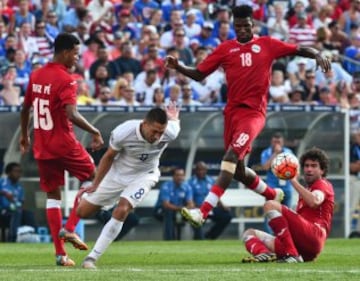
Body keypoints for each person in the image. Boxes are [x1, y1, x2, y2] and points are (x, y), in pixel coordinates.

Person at [165, 5, 331, 228]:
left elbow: (298, 49)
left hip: (253, 114)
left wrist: (317, 54)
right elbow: (199, 74)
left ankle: (202, 212)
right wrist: (179, 67)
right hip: (232, 113)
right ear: (233, 27)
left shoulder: (267, 44)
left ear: (253, 24)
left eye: (246, 25)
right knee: (239, 171)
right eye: (238, 26)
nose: (242, 30)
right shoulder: (225, 49)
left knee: (229, 159)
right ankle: (273, 193)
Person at [19, 33, 104, 266]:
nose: (77, 59)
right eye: (76, 54)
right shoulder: (66, 79)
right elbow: (71, 113)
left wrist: (25, 135)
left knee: (53, 196)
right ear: (65, 52)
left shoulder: (36, 75)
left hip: (43, 145)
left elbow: (25, 108)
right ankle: (69, 227)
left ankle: (60, 254)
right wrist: (95, 131)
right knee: (94, 177)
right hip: (64, 143)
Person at [76, 105, 180, 269]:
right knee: (82, 212)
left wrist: (174, 117)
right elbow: (108, 157)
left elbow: (174, 121)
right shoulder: (124, 131)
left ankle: (91, 258)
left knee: (123, 209)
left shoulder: (170, 132)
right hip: (117, 175)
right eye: (155, 131)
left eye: (161, 132)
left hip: (145, 175)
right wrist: (95, 184)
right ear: (144, 124)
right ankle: (106, 202)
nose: (158, 136)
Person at [241, 147, 335, 263]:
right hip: (302, 247)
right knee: (249, 234)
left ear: (322, 170)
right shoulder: (306, 190)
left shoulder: (322, 184)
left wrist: (293, 181)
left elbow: (315, 201)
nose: (309, 169)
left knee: (270, 205)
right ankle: (264, 254)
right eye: (306, 166)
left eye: (314, 166)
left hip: (314, 235)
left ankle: (291, 254)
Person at [188, 161, 232, 240]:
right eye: (199, 170)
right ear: (195, 171)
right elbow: (189, 199)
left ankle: (210, 236)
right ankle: (199, 238)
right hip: (198, 209)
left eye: (203, 170)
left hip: (211, 208)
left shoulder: (210, 181)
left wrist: (222, 205)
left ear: (206, 170)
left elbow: (215, 195)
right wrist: (194, 207)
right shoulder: (190, 182)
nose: (201, 172)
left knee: (226, 216)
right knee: (196, 218)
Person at [155, 167, 194, 240]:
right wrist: (181, 208)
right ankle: (169, 240)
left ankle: (200, 238)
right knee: (168, 212)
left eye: (182, 175)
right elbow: (166, 205)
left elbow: (190, 203)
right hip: (161, 211)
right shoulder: (166, 186)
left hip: (180, 210)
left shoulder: (187, 187)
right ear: (173, 176)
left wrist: (188, 207)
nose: (180, 177)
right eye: (177, 175)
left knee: (195, 213)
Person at [0, 162, 24, 242]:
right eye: (16, 171)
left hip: (14, 209)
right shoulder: (2, 182)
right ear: (9, 172)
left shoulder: (20, 187)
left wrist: (16, 203)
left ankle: (32, 235)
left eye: (20, 172)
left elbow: (21, 202)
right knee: (16, 212)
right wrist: (4, 193)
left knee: (27, 214)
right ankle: (12, 238)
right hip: (2, 209)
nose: (18, 174)